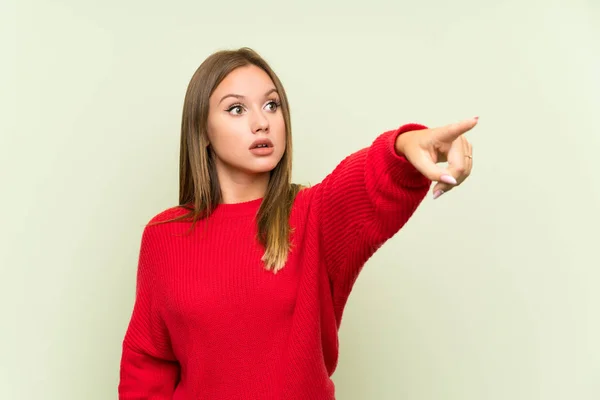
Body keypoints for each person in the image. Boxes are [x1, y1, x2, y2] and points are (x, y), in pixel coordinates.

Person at [118, 47, 477, 400]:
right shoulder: (165, 235)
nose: (262, 122)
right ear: (202, 130)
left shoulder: (311, 215)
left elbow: (370, 180)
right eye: (237, 109)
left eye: (271, 105)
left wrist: (408, 144)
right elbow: (147, 367)